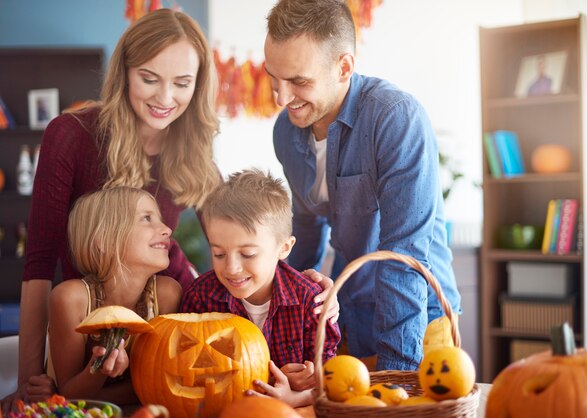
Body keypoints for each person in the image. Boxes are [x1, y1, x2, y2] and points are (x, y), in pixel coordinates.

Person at [2, 8, 335, 412]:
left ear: (197, 85)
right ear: (124, 72)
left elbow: (249, 225)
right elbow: (38, 264)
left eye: (182, 83)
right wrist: (27, 378)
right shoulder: (71, 135)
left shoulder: (191, 150)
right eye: (149, 79)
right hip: (86, 324)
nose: (165, 98)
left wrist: (304, 283)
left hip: (164, 316)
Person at [264, 0, 462, 372]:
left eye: (298, 82)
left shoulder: (395, 119)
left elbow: (404, 256)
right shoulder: (286, 132)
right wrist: (282, 320)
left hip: (419, 320)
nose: (281, 98)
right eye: (273, 78)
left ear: (344, 67)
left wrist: (397, 374)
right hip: (350, 312)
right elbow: (305, 231)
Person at [180, 169, 341, 408]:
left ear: (284, 248)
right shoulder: (201, 297)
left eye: (248, 254)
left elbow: (333, 379)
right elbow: (187, 368)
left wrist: (297, 397)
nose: (232, 268)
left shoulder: (310, 300)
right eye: (219, 253)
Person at [48, 186, 182, 404]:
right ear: (104, 239)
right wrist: (99, 370)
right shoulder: (71, 299)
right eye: (147, 218)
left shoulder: (167, 294)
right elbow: (69, 395)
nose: (167, 228)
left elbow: (164, 383)